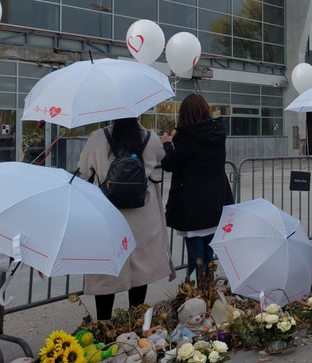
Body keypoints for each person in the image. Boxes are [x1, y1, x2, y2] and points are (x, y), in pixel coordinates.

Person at [78, 117, 176, 320]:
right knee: (141, 266)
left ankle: (104, 324)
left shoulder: (98, 137)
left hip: (107, 212)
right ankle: (136, 320)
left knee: (106, 269)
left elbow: (84, 170)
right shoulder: (150, 138)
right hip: (142, 212)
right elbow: (161, 158)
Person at [160, 94, 234, 281]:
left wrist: (168, 144)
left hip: (192, 204)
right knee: (208, 250)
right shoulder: (217, 133)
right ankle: (207, 287)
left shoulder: (187, 138)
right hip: (215, 200)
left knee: (195, 253)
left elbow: (170, 163)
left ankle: (195, 292)